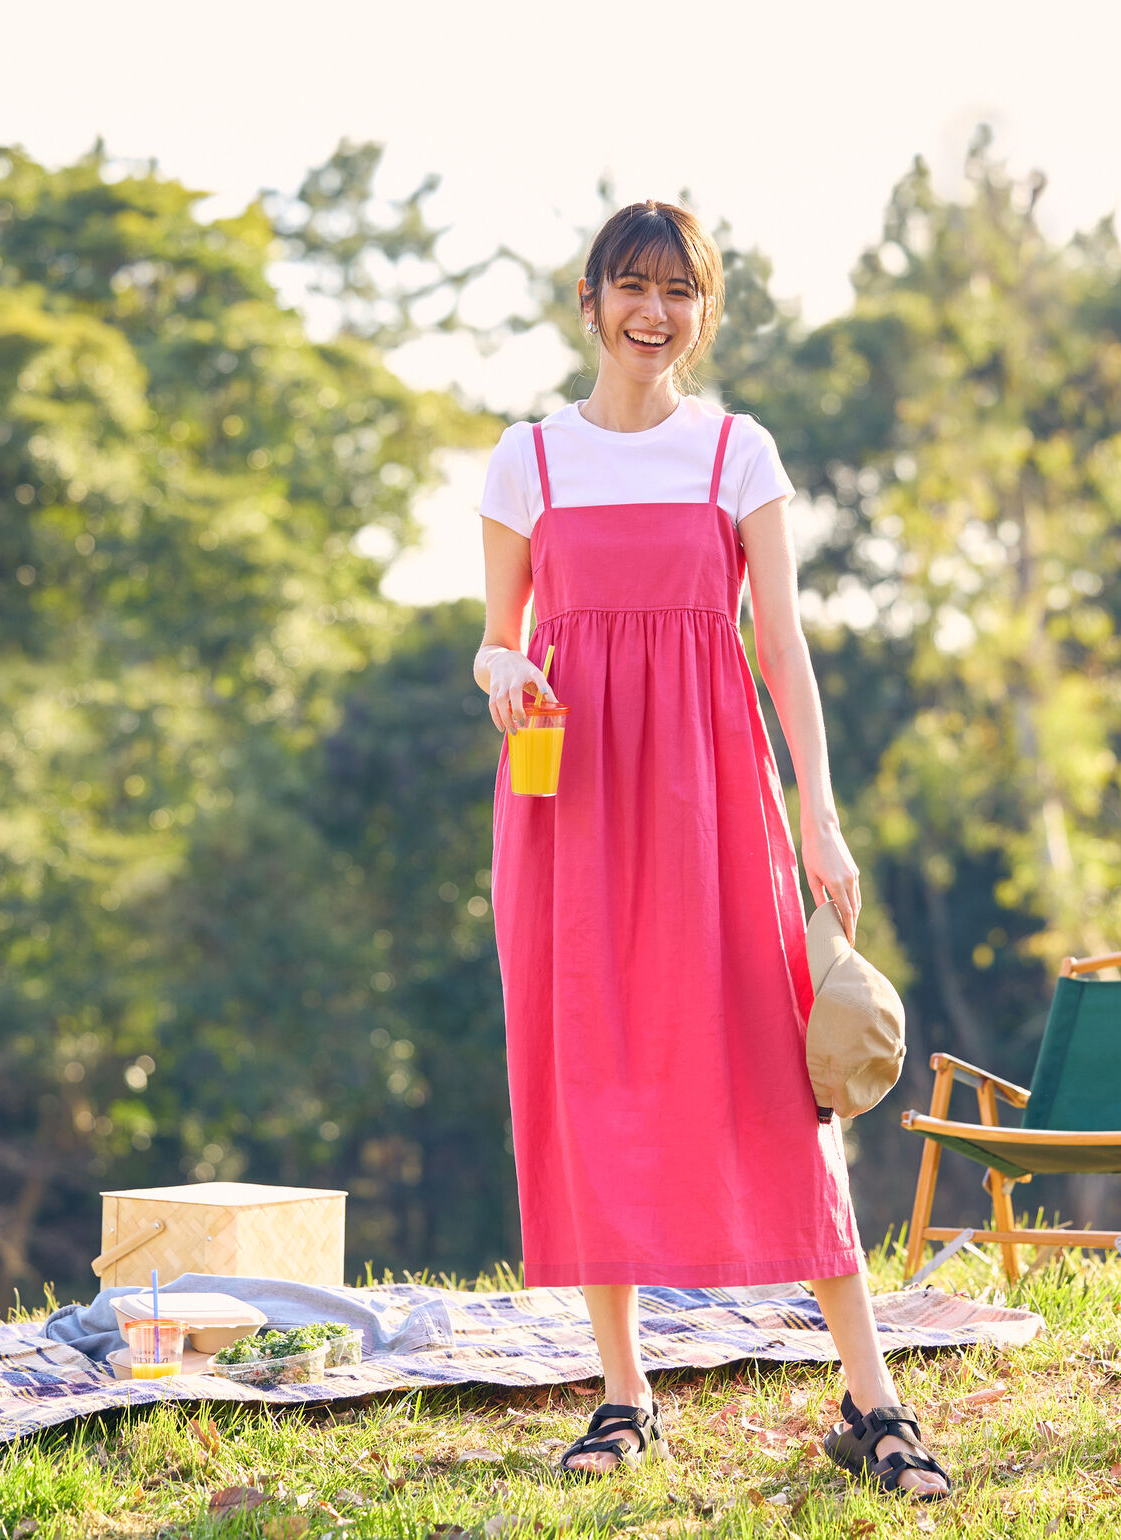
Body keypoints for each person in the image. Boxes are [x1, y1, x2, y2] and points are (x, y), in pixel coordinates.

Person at [472, 200, 948, 1502]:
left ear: (702, 311)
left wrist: (819, 815)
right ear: (589, 301)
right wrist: (508, 676)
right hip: (566, 800)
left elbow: (782, 645)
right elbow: (497, 639)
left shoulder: (738, 451)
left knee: (774, 1069)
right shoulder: (529, 460)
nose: (654, 312)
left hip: (714, 798)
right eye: (632, 287)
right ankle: (623, 1396)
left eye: (678, 291)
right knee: (592, 1066)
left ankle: (874, 1401)